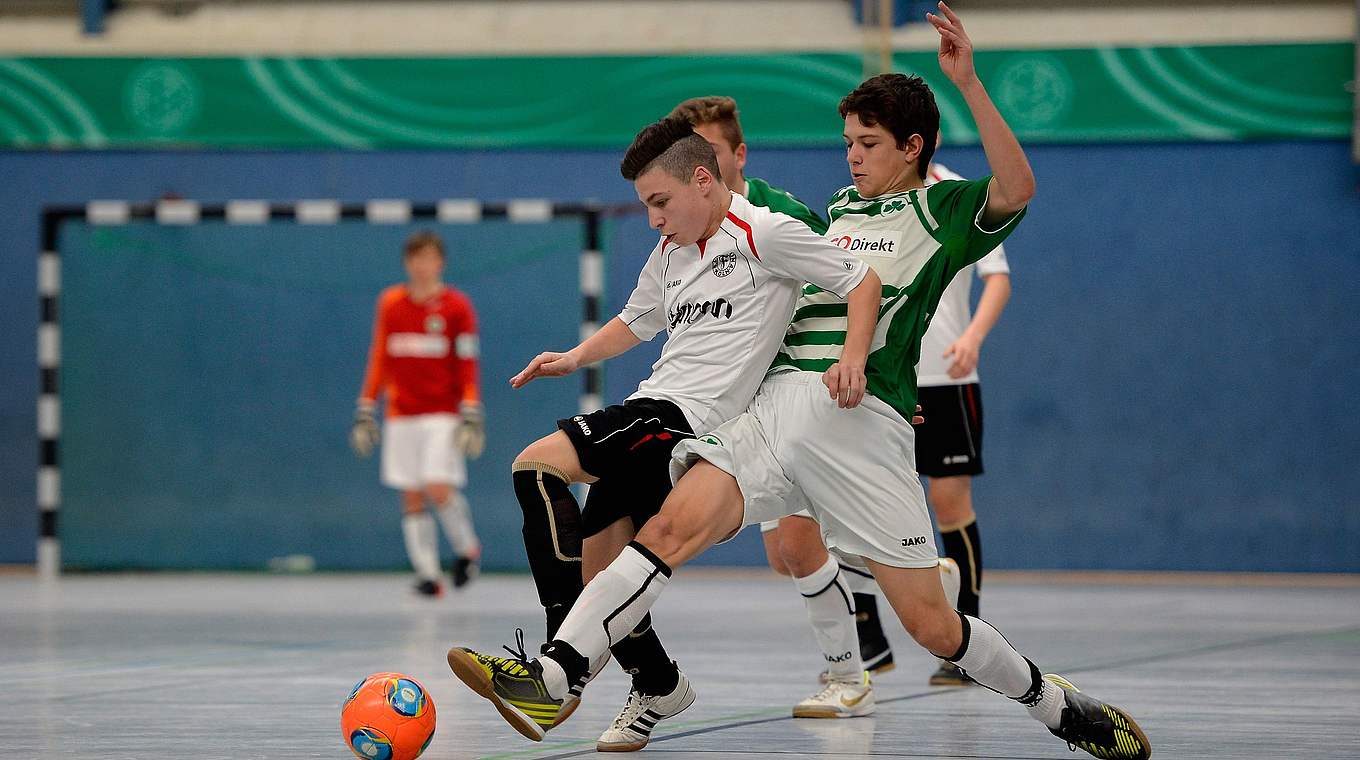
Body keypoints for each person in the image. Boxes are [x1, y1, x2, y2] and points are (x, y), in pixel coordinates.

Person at [444, 6, 1151, 759]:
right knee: (667, 530)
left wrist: (970, 84)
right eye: (847, 142)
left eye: (870, 144)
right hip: (773, 414)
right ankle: (557, 676)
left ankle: (1057, 707)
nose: (852, 157)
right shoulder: (835, 212)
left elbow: (1017, 186)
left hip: (860, 423)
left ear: (914, 148)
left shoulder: (941, 211)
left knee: (933, 627)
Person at [500, 113, 882, 748]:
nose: (653, 218)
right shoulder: (671, 251)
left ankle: (552, 664)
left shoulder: (765, 231)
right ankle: (657, 685)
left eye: (659, 202)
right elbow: (635, 320)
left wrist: (858, 361)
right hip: (650, 403)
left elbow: (862, 281)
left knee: (534, 465)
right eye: (647, 205)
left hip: (690, 421)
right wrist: (573, 357)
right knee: (606, 576)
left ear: (703, 179)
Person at [350, 231, 485, 596]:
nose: (422, 266)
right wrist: (367, 407)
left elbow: (467, 363)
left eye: (428, 258)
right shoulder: (391, 303)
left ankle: (466, 550)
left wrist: (471, 411)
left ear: (440, 263)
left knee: (436, 485)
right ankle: (427, 575)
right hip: (400, 414)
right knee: (410, 493)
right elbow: (380, 356)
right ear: (407, 263)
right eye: (415, 259)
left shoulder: (457, 307)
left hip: (441, 413)